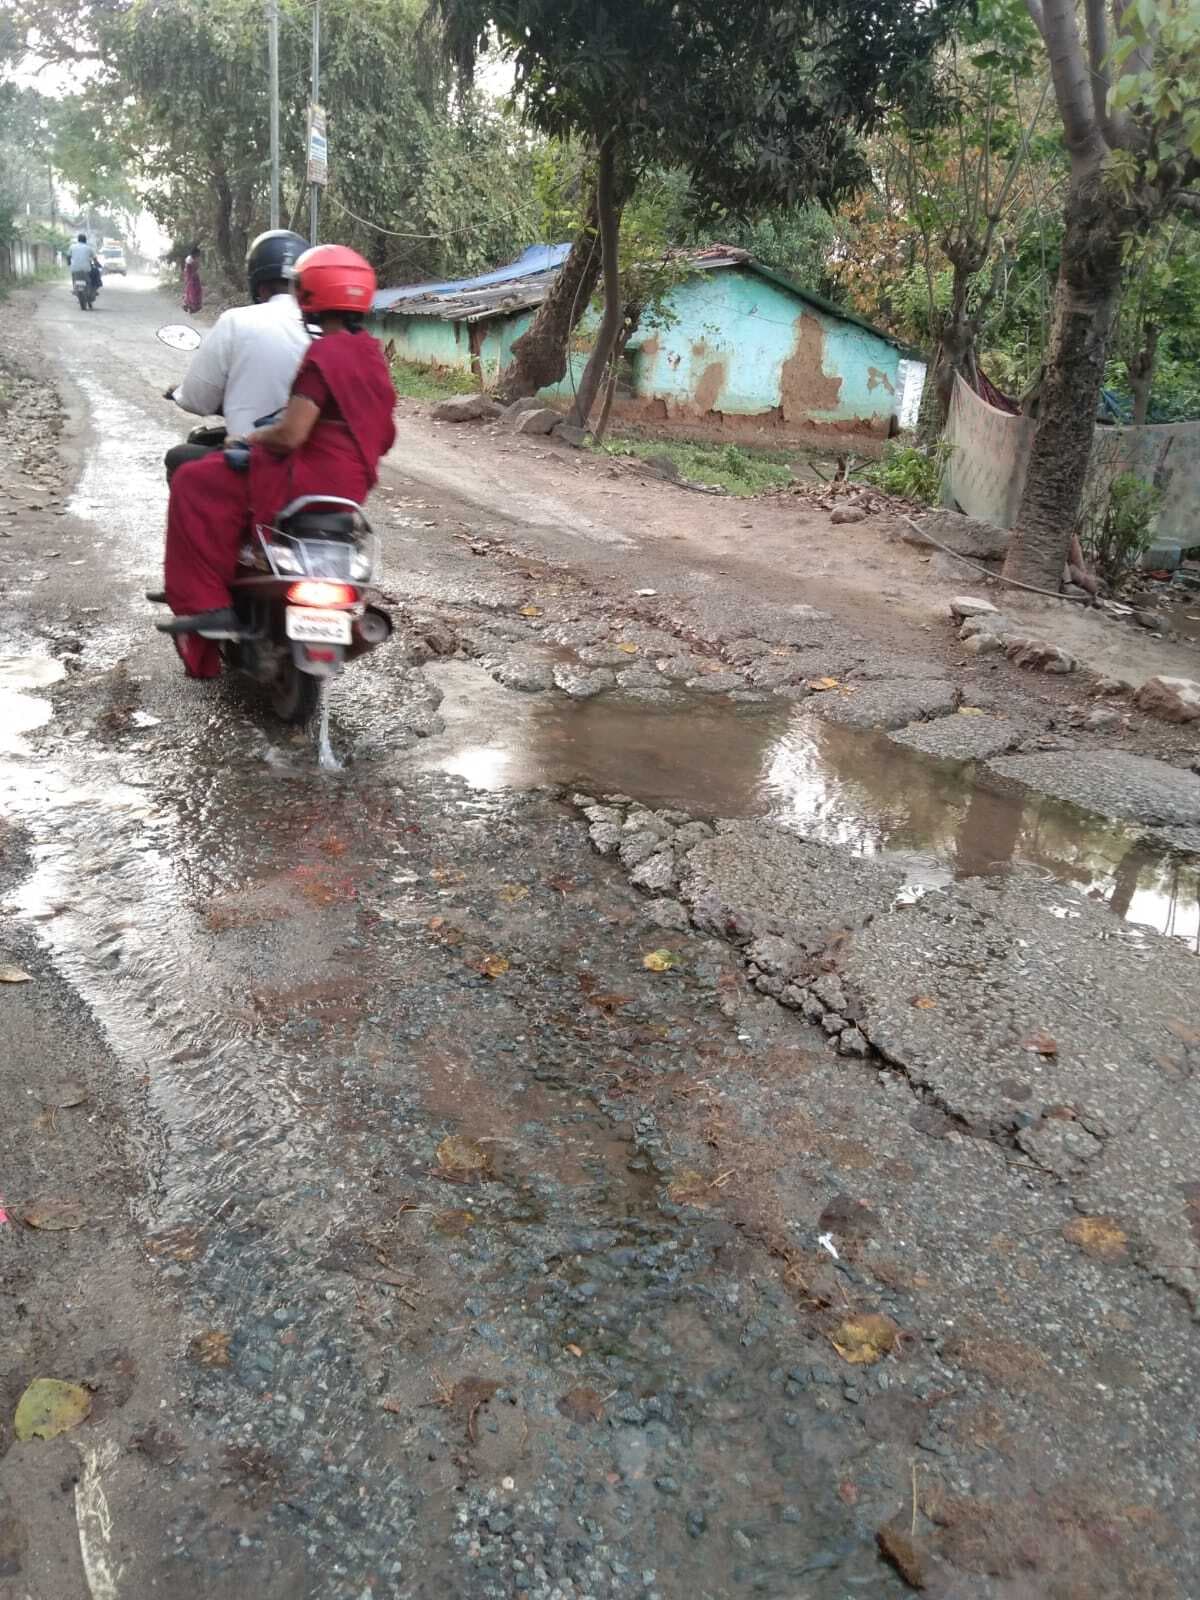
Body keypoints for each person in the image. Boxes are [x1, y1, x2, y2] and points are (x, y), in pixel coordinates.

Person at [158, 244, 395, 679]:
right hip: (350, 486)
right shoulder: (371, 355)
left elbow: (292, 433)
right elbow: (380, 431)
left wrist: (256, 436)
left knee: (193, 480)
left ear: (310, 295)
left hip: (301, 477)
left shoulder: (324, 355)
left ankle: (209, 605)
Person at [163, 229, 310, 481]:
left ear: (259, 286)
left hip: (252, 461)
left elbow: (197, 400)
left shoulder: (236, 321)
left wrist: (181, 393)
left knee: (178, 458)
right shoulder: (332, 334)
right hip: (315, 467)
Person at [182, 246, 203, 313]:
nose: (199, 255)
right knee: (193, 291)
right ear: (195, 253)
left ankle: (188, 305)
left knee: (192, 290)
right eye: (198, 254)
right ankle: (192, 306)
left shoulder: (192, 258)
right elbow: (194, 268)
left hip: (192, 276)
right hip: (191, 277)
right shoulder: (190, 259)